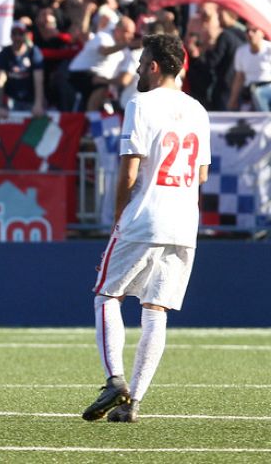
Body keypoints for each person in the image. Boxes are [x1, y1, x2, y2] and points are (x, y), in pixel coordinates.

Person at [82, 33, 211, 423]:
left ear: (154, 66)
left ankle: (114, 380)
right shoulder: (197, 109)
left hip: (144, 215)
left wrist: (118, 214)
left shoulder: (140, 103)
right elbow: (201, 175)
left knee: (107, 296)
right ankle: (133, 402)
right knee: (156, 310)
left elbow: (129, 170)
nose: (138, 69)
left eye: (141, 63)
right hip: (184, 221)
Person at [227, 24, 271, 111]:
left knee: (259, 94)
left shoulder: (269, 49)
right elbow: (239, 78)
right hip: (249, 90)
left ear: (262, 33)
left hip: (268, 88)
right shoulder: (241, 52)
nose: (250, 34)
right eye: (247, 31)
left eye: (254, 31)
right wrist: (233, 99)